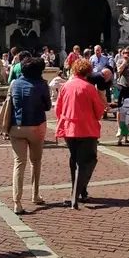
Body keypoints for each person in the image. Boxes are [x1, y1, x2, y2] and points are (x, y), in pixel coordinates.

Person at [55, 57, 105, 208]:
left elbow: (58, 109)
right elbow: (99, 111)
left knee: (75, 160)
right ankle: (75, 196)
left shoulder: (65, 86)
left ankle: (78, 191)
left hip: (69, 129)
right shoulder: (89, 88)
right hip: (87, 129)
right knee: (88, 160)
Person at [5, 56, 51, 215]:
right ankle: (35, 194)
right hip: (36, 126)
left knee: (19, 163)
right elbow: (47, 106)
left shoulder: (14, 83)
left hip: (16, 127)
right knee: (36, 161)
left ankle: (17, 202)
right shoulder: (42, 85)